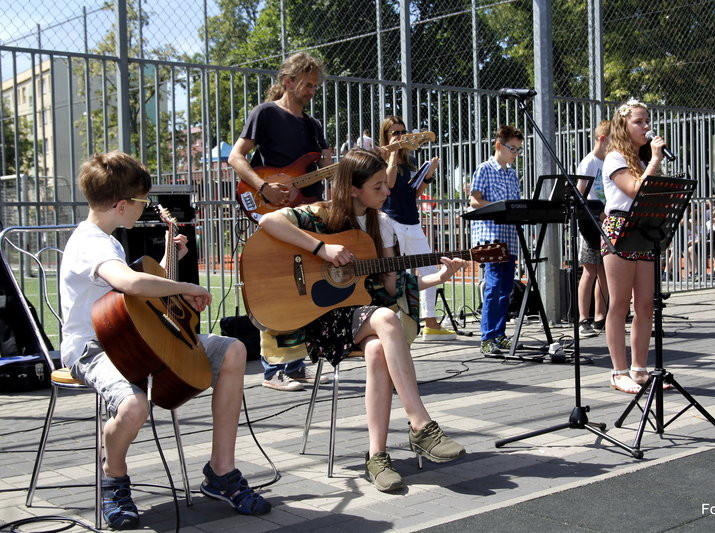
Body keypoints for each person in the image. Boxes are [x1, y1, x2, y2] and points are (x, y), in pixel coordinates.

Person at [59, 152, 269, 529]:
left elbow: (131, 302)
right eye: (141, 201)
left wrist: (169, 258)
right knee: (133, 406)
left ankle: (221, 471)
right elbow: (129, 283)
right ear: (122, 205)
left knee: (233, 350)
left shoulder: (108, 240)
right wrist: (186, 285)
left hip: (134, 338)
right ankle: (113, 477)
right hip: (92, 348)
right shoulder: (91, 243)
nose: (144, 208)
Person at [258, 148, 466, 492]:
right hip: (321, 318)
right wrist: (321, 249)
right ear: (353, 189)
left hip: (361, 316)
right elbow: (268, 221)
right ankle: (420, 424)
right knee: (385, 318)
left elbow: (392, 286)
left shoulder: (382, 225)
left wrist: (439, 278)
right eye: (378, 186)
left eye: (385, 185)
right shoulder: (320, 215)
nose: (387, 191)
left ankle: (377, 456)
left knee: (377, 348)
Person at [229, 52, 332, 392]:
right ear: (288, 81)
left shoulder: (314, 126)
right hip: (274, 210)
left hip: (308, 210)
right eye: (307, 84)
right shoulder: (265, 113)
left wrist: (333, 166)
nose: (312, 91)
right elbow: (236, 157)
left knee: (304, 284)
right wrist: (263, 187)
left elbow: (323, 170)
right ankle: (275, 369)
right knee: (280, 283)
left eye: (315, 86)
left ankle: (297, 363)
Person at [601, 99, 669, 394]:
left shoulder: (641, 161)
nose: (646, 127)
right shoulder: (614, 157)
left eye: (647, 121)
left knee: (645, 305)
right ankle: (618, 372)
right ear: (624, 125)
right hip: (619, 229)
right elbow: (634, 190)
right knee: (619, 304)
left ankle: (639, 369)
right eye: (639, 122)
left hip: (644, 229)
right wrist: (655, 160)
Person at [379, 115, 456, 341]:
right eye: (394, 132)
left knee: (430, 270)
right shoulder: (380, 158)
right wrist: (392, 153)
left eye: (402, 132)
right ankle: (394, 324)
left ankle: (430, 323)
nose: (400, 136)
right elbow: (389, 184)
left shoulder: (410, 160)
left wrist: (429, 174)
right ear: (385, 135)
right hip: (390, 221)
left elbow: (414, 193)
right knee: (395, 274)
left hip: (411, 221)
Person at [469, 125, 523, 356]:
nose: (515, 153)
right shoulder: (484, 169)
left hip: (509, 238)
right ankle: (487, 337)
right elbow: (474, 201)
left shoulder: (512, 174)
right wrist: (499, 208)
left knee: (506, 288)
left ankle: (499, 334)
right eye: (513, 148)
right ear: (499, 145)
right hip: (490, 237)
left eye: (518, 150)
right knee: (493, 285)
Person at [575, 120, 611, 339]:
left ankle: (601, 316)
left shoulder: (609, 162)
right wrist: (595, 212)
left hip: (605, 221)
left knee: (604, 271)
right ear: (602, 139)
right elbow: (581, 194)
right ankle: (583, 319)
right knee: (590, 270)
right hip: (590, 222)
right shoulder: (589, 162)